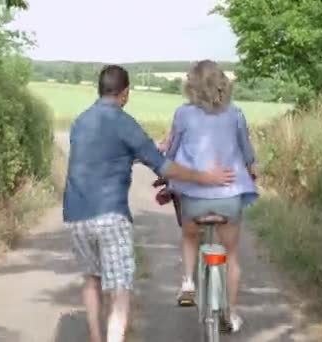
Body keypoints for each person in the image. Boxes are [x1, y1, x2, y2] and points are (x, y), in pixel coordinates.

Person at [63, 65, 236, 342]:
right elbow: (164, 167)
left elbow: (105, 156)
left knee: (91, 280)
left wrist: (141, 150)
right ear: (125, 93)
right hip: (110, 216)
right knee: (119, 291)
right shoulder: (123, 122)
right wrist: (204, 176)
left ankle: (96, 338)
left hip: (75, 215)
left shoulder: (81, 121)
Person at [159, 60, 259, 333]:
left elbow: (172, 149)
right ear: (223, 84)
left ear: (191, 86)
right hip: (230, 195)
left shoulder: (182, 114)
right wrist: (251, 170)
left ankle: (188, 283)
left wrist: (167, 169)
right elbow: (247, 152)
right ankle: (232, 313)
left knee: (190, 234)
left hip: (194, 195)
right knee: (232, 254)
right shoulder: (236, 114)